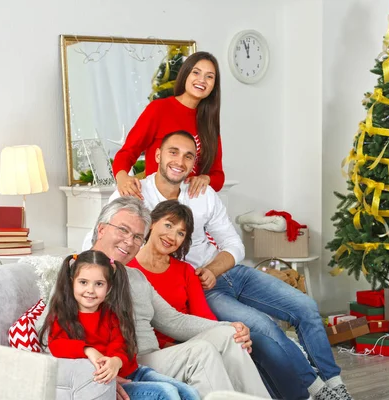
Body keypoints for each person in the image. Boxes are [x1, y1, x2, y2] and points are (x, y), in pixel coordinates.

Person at [108, 131, 353, 400]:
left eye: (188, 156)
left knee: (306, 307)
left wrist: (214, 269)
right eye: (173, 152)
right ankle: (315, 391)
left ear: (194, 164)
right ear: (157, 156)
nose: (179, 161)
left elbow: (234, 245)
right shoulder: (136, 193)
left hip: (227, 272)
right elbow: (105, 238)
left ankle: (335, 384)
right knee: (264, 327)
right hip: (200, 285)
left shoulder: (202, 192)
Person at [87, 197, 270, 399]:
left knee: (229, 336)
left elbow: (173, 320)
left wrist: (229, 326)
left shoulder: (135, 277)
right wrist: (97, 378)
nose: (130, 241)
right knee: (201, 352)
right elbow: (58, 337)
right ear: (102, 229)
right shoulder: (81, 275)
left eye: (138, 237)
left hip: (152, 357)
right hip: (125, 363)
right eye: (123, 230)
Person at [39, 250, 199, 400]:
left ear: (109, 287)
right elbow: (57, 345)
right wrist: (88, 350)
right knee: (166, 392)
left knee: (189, 392)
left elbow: (122, 344)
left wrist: (116, 361)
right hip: (105, 382)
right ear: (72, 281)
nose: (90, 290)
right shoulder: (62, 314)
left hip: (133, 372)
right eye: (83, 282)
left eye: (99, 284)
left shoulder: (112, 313)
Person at [113, 51, 225, 199]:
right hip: (155, 202)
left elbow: (218, 176)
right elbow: (127, 152)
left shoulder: (209, 122)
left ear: (213, 86)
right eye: (196, 73)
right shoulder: (159, 109)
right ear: (185, 75)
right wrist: (122, 178)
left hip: (191, 206)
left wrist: (206, 179)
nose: (202, 80)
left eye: (209, 76)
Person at [127, 200, 218, 349]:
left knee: (242, 339)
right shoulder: (127, 268)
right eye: (168, 225)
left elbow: (204, 317)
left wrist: (229, 331)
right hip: (147, 349)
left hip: (190, 345)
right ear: (152, 223)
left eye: (180, 233)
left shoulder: (186, 271)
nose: (172, 237)